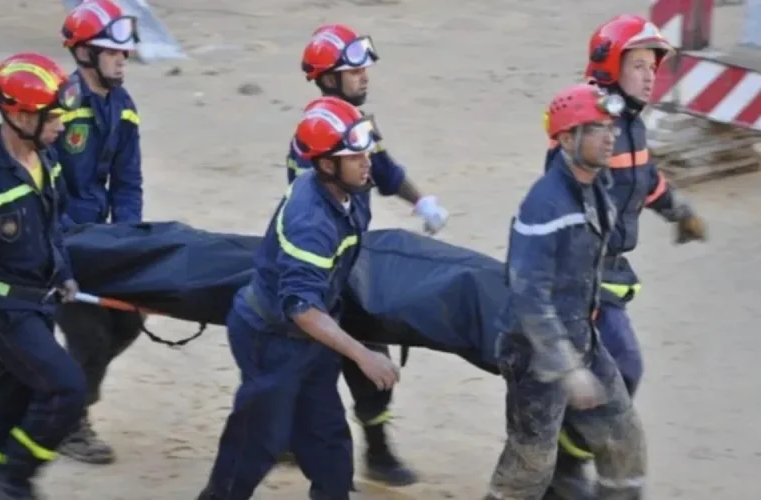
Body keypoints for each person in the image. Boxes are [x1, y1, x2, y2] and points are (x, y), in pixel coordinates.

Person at [197, 96, 402, 500]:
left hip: (312, 340)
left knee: (329, 444)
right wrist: (363, 354)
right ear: (327, 165)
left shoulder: (352, 186)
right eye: (355, 156)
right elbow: (302, 309)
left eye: (365, 152)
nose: (367, 162)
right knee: (257, 442)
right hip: (272, 341)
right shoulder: (310, 221)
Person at [543, 15, 707, 499]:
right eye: (638, 65)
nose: (649, 74)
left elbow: (645, 178)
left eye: (652, 65)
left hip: (610, 272)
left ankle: (566, 463)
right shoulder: (587, 128)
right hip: (583, 275)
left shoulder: (631, 125)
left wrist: (678, 210)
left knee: (612, 372)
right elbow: (560, 206)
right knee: (624, 367)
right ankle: (564, 465)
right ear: (609, 67)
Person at [282, 23, 451, 486]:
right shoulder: (317, 136)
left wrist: (421, 200)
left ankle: (372, 450)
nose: (364, 76)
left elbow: (386, 170)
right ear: (329, 78)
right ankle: (313, 446)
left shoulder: (355, 127)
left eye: (363, 68)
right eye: (353, 70)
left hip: (349, 262)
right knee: (329, 361)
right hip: (322, 269)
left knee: (360, 360)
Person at [484, 83, 647, 500]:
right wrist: (566, 366)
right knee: (531, 464)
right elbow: (529, 295)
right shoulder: (546, 205)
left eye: (610, 126)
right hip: (536, 353)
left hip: (581, 339)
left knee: (623, 438)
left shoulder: (595, 188)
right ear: (566, 139)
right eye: (596, 128)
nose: (610, 135)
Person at [0, 52, 87, 499]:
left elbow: (54, 228)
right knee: (68, 389)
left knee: (12, 401)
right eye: (51, 117)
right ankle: (14, 481)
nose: (60, 126)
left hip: (38, 300)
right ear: (16, 113)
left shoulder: (46, 159)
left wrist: (65, 274)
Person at [51, 0, 145, 465]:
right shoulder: (62, 109)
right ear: (85, 54)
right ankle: (69, 423)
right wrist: (68, 243)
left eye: (125, 54)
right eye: (114, 52)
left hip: (97, 239)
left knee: (128, 321)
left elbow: (128, 182)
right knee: (89, 337)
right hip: (53, 241)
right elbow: (43, 187)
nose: (122, 61)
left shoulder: (123, 108)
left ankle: (66, 404)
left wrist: (127, 240)